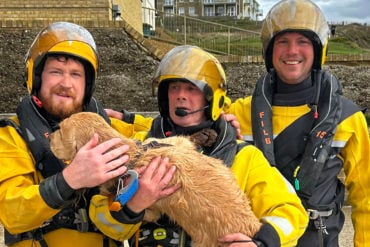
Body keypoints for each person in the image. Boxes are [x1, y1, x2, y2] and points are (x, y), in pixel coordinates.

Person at [106, 45, 308, 247]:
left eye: (192, 88)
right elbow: (102, 219)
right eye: (174, 87)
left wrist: (261, 243)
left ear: (212, 98)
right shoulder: (139, 146)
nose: (180, 96)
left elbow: (291, 212)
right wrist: (133, 207)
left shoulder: (243, 156)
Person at [0, 21, 178, 247]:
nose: (66, 84)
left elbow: (168, 125)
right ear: (36, 77)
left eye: (76, 74)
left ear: (87, 84)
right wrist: (69, 179)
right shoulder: (11, 136)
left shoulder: (110, 129)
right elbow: (11, 213)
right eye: (56, 72)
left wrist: (224, 121)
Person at [223, 0, 370, 246]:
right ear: (269, 51)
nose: (292, 51)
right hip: (257, 239)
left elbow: (366, 197)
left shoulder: (348, 118)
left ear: (318, 49)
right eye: (283, 42)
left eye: (302, 42)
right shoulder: (239, 113)